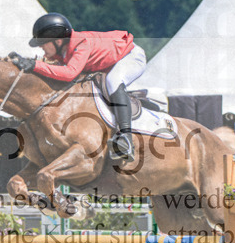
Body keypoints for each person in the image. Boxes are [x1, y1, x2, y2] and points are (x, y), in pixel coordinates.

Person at [9, 13, 147, 162]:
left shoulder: (82, 44)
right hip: (108, 63)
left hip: (131, 56)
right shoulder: (60, 52)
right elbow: (48, 69)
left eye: (43, 42)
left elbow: (69, 73)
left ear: (58, 40)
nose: (41, 46)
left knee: (113, 81)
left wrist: (35, 65)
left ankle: (125, 138)